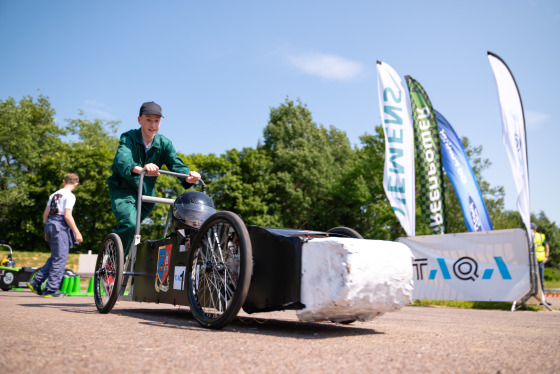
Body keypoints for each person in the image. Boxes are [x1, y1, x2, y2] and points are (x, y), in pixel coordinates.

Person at [106, 101, 201, 257]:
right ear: (139, 120)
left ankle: (128, 259)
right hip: (123, 189)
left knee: (134, 230)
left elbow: (175, 162)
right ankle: (113, 260)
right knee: (130, 225)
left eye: (156, 120)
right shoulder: (129, 137)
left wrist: (189, 176)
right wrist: (140, 169)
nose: (153, 124)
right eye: (148, 119)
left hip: (146, 194)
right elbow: (122, 158)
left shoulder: (164, 143)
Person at [27, 173, 83, 298]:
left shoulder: (53, 195)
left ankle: (36, 281)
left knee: (55, 257)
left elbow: (45, 214)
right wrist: (77, 232)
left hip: (50, 225)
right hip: (60, 227)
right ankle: (51, 289)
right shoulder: (70, 196)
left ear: (64, 181)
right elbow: (67, 215)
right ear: (76, 184)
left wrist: (47, 230)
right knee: (60, 258)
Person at [531, 222, 550, 294]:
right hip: (531, 262)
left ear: (535, 229)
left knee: (541, 281)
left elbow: (547, 246)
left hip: (540, 261)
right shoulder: (527, 237)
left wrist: (546, 257)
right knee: (531, 280)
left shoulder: (540, 236)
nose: (531, 230)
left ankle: (542, 297)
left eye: (532, 228)